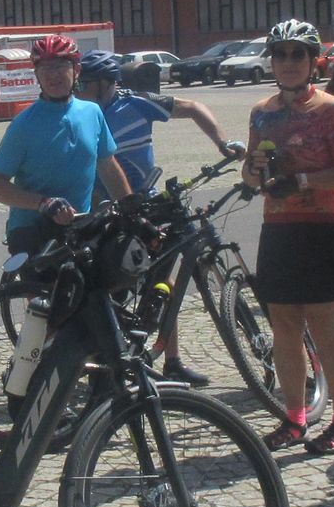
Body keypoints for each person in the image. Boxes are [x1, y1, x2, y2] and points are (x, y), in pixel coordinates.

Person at [76, 49, 241, 385]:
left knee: (163, 280)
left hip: (146, 204)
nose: (78, 89)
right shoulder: (81, 114)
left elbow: (193, 108)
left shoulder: (136, 103)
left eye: (85, 83)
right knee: (110, 285)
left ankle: (172, 360)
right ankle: (99, 360)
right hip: (105, 210)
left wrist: (222, 143)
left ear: (106, 83)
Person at [242, 18, 334, 454]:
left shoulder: (331, 108)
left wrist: (303, 180)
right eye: (281, 54)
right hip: (279, 227)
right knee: (284, 329)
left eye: (298, 54)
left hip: (323, 225)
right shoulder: (262, 112)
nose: (289, 62)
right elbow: (249, 175)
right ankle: (294, 419)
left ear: (314, 62)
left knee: (325, 329)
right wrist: (255, 171)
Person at [0, 34, 128, 255]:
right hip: (32, 230)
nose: (53, 75)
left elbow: (108, 167)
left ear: (76, 69)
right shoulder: (24, 125)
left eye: (60, 66)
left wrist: (131, 208)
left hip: (79, 225)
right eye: (45, 68)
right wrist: (43, 203)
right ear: (36, 75)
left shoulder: (92, 112)